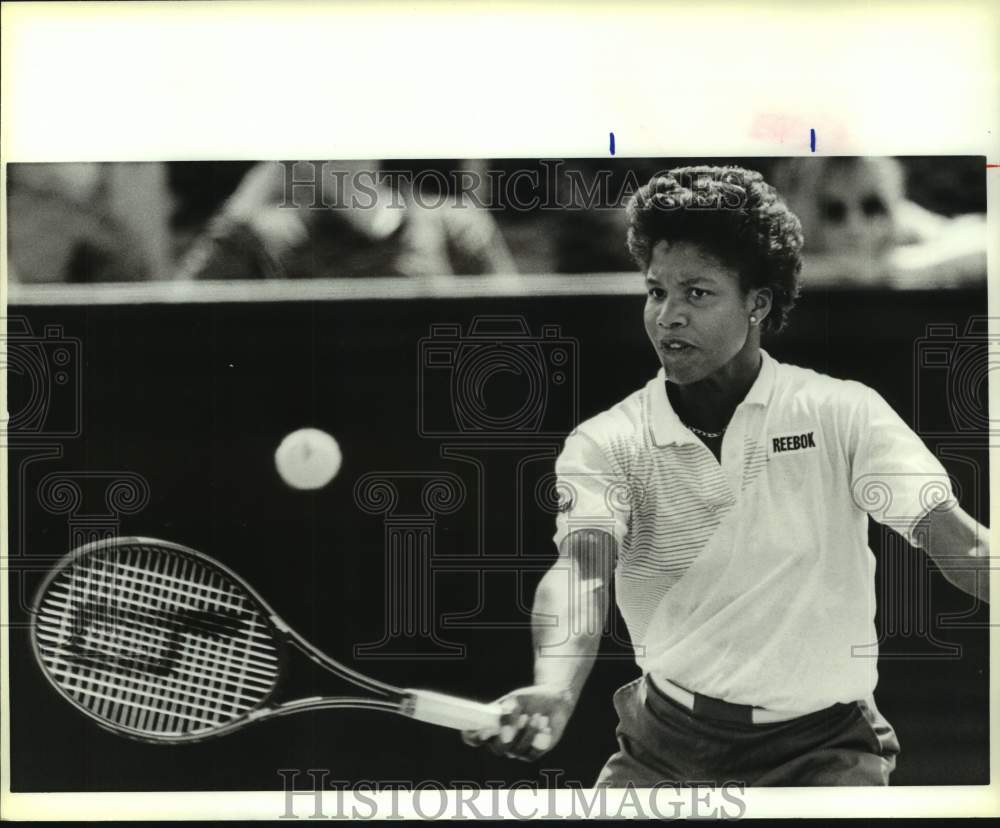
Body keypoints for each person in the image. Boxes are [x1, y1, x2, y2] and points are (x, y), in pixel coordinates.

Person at [461, 165, 990, 786]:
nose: (668, 317)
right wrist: (553, 687)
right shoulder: (607, 442)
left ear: (758, 302)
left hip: (824, 753)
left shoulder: (843, 412)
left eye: (698, 293)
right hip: (662, 748)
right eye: (657, 292)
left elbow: (959, 541)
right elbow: (581, 572)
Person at [175, 160, 517, 280]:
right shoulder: (268, 237)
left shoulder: (456, 225)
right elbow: (172, 323)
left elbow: (520, 337)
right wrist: (249, 199)